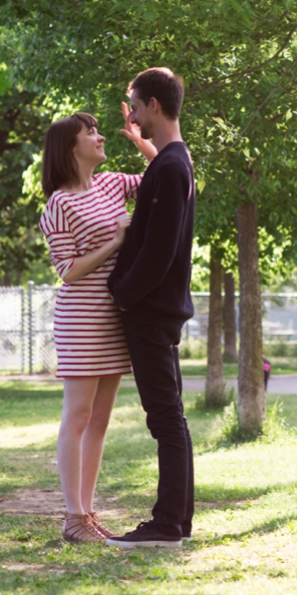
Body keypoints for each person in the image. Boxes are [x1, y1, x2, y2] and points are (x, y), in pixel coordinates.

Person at [37, 109, 156, 544]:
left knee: (101, 419)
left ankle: (87, 514)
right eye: (92, 133)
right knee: (79, 415)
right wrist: (116, 242)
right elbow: (67, 271)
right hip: (81, 318)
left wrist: (144, 143)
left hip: (113, 314)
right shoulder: (59, 204)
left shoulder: (111, 183)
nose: (101, 137)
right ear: (72, 147)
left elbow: (163, 177)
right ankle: (72, 516)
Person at [103, 67, 198, 549]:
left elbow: (158, 253)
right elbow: (162, 165)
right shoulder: (175, 161)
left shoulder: (171, 167)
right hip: (161, 311)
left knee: (164, 419)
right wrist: (142, 143)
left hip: (151, 313)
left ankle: (166, 525)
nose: (133, 114)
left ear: (153, 106)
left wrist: (121, 293)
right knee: (171, 417)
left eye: (137, 106)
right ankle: (176, 522)